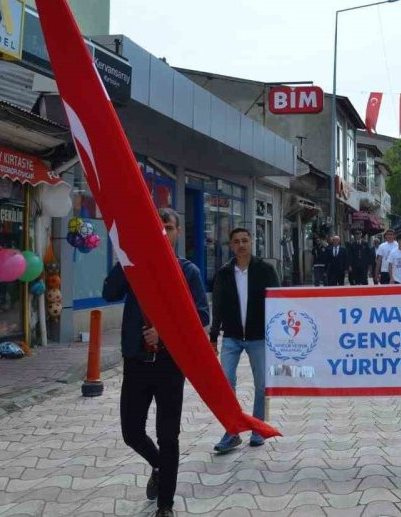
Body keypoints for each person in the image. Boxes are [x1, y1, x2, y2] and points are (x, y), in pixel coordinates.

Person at [102, 208, 208, 517]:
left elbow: (201, 315)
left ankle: (166, 505)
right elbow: (109, 293)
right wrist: (127, 254)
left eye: (168, 227)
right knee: (131, 432)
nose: (163, 231)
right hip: (136, 361)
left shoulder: (188, 272)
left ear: (177, 233)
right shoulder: (133, 266)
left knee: (167, 435)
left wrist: (164, 329)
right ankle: (160, 466)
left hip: (169, 365)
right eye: (157, 227)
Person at [209, 227, 279, 452]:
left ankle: (258, 428)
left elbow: (278, 302)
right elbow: (217, 306)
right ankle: (231, 431)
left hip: (258, 337)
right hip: (231, 337)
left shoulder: (265, 270)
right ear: (231, 246)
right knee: (226, 385)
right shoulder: (224, 273)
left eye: (245, 240)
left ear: (252, 242)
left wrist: (277, 334)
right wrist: (213, 337)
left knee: (261, 385)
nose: (241, 245)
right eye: (236, 241)